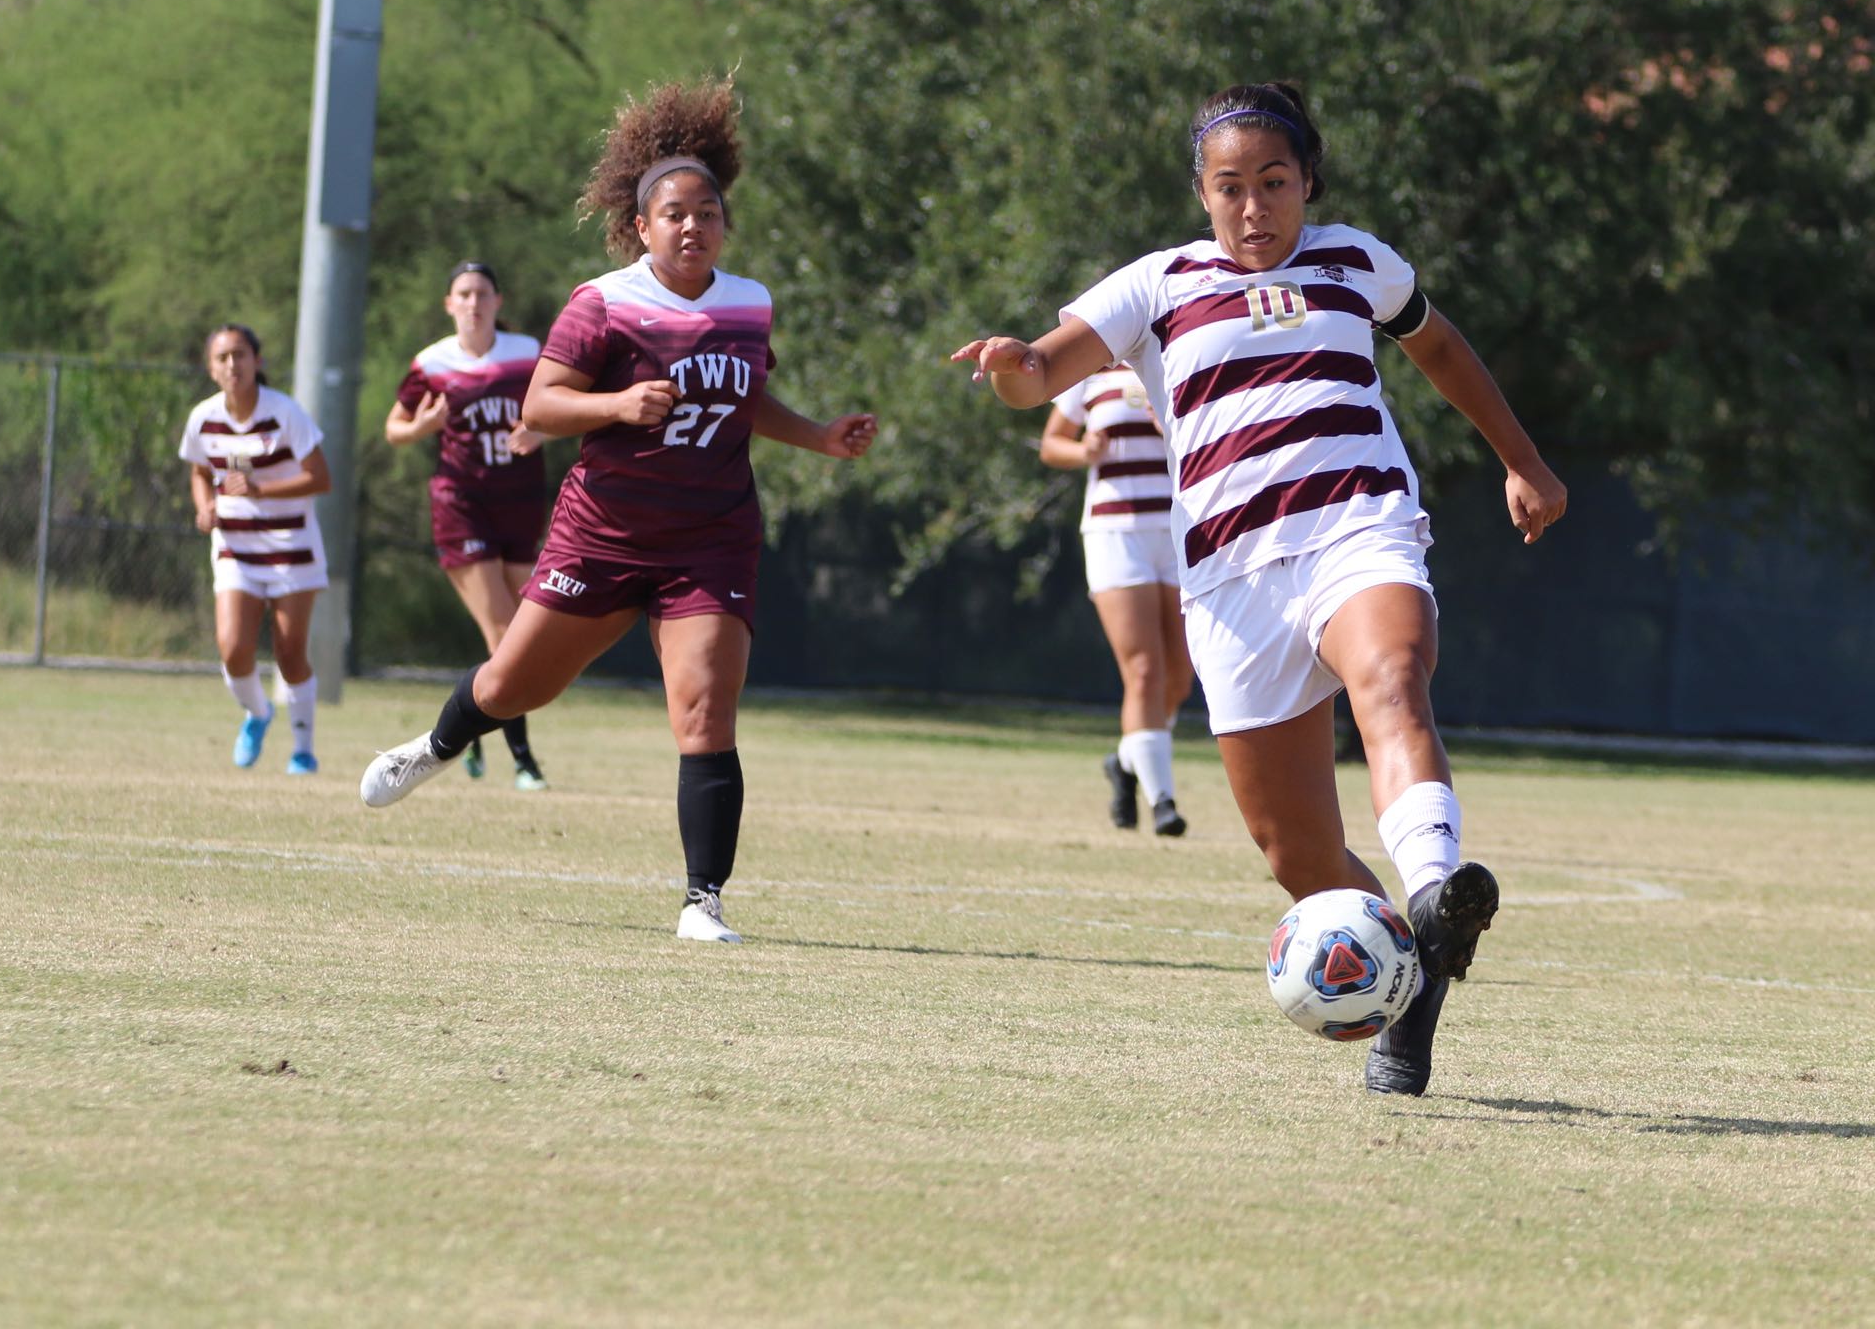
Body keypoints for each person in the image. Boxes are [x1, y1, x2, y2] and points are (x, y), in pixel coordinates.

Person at [953, 82, 1567, 1095]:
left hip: (1357, 530)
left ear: (1308, 182)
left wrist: (1524, 460)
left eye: (1273, 183)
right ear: (1201, 193)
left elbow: (1442, 349)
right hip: (1233, 583)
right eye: (1229, 187)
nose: (1253, 207)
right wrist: (1017, 367)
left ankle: (1434, 888)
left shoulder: (1355, 261)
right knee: (1298, 852)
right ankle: (1409, 1008)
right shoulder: (1155, 285)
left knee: (1393, 678)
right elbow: (1039, 371)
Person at [359, 79, 879, 944]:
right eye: (673, 213)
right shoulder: (604, 300)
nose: (691, 226)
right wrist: (613, 407)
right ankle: (437, 748)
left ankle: (701, 901)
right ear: (642, 226)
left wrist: (821, 437)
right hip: (602, 537)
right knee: (512, 685)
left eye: (706, 212)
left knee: (706, 710)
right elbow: (539, 407)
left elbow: (743, 399)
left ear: (724, 223)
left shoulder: (749, 303)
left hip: (710, 541)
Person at [385, 260, 552, 791]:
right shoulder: (432, 363)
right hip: (461, 506)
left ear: (498, 302)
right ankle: (524, 759)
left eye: (483, 293)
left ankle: (473, 728)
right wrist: (422, 425)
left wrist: (540, 431)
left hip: (519, 504)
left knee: (517, 632)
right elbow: (394, 428)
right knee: (507, 635)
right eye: (464, 293)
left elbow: (562, 407)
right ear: (449, 304)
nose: (474, 302)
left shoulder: (527, 353)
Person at [1041, 364, 1195, 837]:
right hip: (1115, 533)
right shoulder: (1087, 375)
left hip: (1177, 528)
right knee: (1144, 670)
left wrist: (1167, 423)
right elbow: (1051, 444)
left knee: (1180, 676)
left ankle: (1128, 762)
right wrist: (1082, 449)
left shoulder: (1173, 364)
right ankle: (1163, 800)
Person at [179, 324, 333, 775]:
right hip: (236, 548)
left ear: (257, 362)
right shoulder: (203, 418)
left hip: (292, 548)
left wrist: (261, 487)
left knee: (289, 654)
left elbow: (321, 478)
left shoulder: (285, 412)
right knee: (233, 649)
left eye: (241, 355)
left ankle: (303, 749)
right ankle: (258, 714)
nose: (233, 365)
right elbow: (198, 472)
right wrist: (206, 506)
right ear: (211, 368)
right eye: (223, 357)